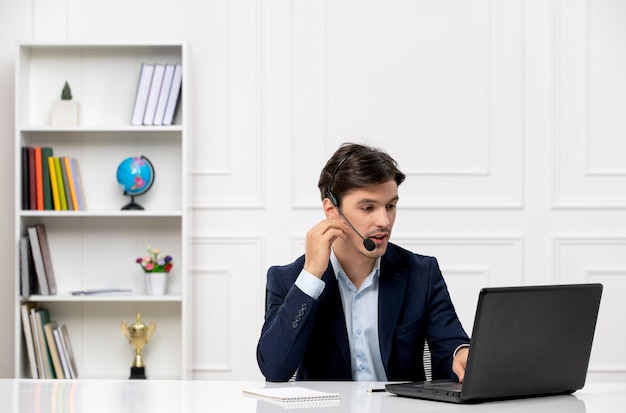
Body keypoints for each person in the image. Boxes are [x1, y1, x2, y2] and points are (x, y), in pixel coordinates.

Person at [257, 143, 470, 382]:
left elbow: (449, 343)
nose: (384, 221)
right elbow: (274, 368)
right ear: (332, 210)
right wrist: (312, 275)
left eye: (390, 206)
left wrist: (460, 353)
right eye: (368, 207)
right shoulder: (290, 280)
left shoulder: (421, 273)